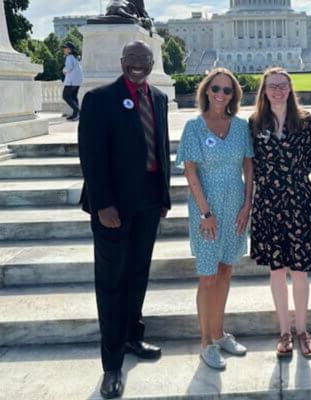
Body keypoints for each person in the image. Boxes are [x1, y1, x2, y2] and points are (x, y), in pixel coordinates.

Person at [78, 40, 171, 399]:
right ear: (121, 62)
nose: (137, 65)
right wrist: (103, 204)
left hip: (148, 201)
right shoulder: (100, 99)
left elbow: (160, 149)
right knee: (112, 282)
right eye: (131, 60)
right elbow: (91, 155)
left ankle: (132, 337)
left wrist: (162, 197)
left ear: (151, 63)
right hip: (113, 207)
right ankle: (112, 364)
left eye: (143, 60)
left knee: (137, 274)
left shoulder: (158, 99)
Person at [176, 68, 254, 370]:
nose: (221, 94)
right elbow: (190, 172)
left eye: (227, 90)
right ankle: (205, 342)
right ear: (206, 91)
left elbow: (249, 168)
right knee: (207, 276)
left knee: (225, 271)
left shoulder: (240, 127)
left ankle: (220, 333)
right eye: (216, 89)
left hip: (235, 207)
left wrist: (247, 204)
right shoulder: (194, 127)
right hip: (205, 210)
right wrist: (206, 212)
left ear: (233, 95)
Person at [249, 67, 311, 358]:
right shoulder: (255, 123)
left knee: (301, 271)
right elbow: (251, 166)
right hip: (268, 203)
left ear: (290, 88)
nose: (278, 90)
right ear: (264, 91)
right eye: (272, 86)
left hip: (299, 201)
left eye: (283, 85)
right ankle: (284, 331)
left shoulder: (304, 120)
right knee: (277, 270)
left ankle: (303, 330)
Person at [62, 41, 83, 121]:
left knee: (65, 96)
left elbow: (68, 68)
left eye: (65, 48)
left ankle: (77, 110)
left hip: (71, 81)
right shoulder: (76, 57)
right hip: (77, 81)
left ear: (70, 50)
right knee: (73, 97)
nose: (64, 49)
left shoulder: (69, 57)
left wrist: (63, 70)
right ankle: (76, 115)